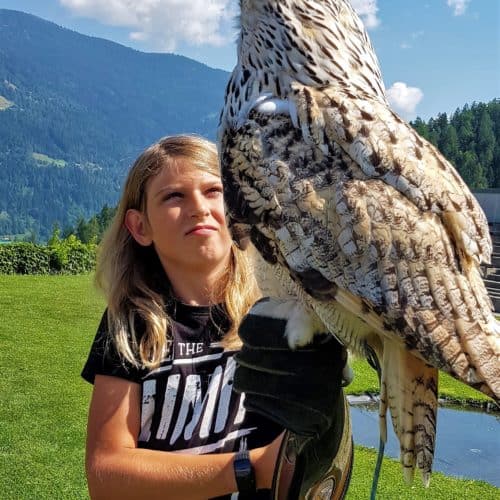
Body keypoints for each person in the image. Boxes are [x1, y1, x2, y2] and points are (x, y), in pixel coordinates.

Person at [82, 134, 352, 500]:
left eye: (213, 190)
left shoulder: (282, 311)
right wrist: (251, 469)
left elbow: (315, 456)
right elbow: (106, 473)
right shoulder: (132, 323)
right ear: (140, 227)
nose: (199, 207)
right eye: (174, 196)